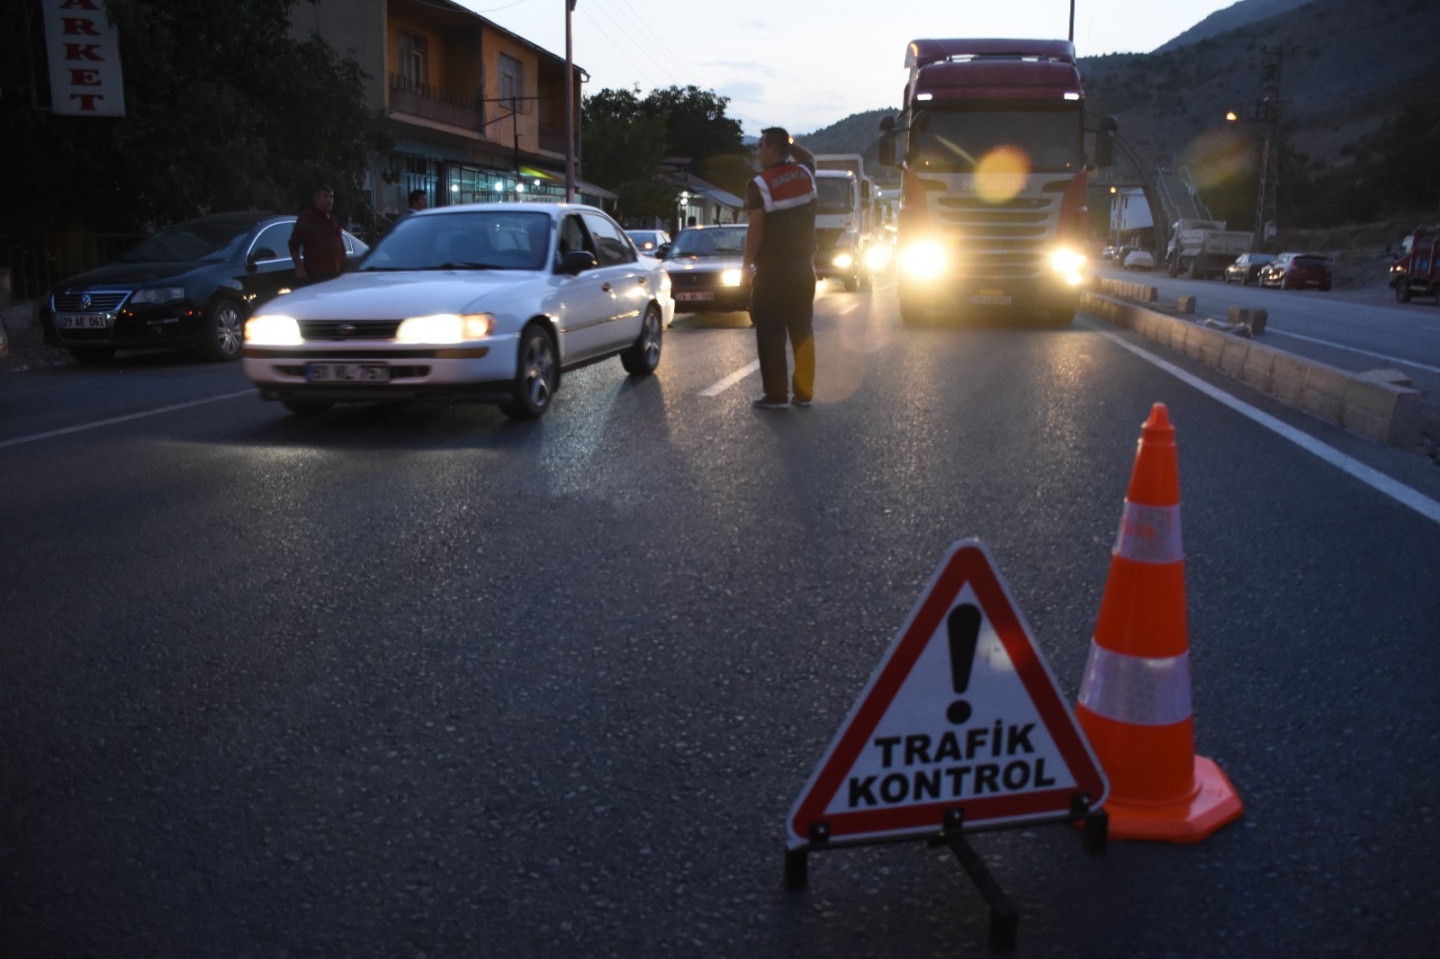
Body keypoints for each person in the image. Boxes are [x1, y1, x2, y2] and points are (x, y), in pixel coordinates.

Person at [741, 127, 817, 410]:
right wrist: (790, 145)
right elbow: (809, 157)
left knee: (771, 331)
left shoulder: (759, 184)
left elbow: (756, 228)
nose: (758, 151)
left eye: (761, 146)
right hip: (804, 268)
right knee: (802, 329)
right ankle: (804, 392)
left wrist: (746, 266)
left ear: (772, 149)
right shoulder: (806, 173)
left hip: (773, 272)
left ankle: (776, 395)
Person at [288, 185, 345, 284]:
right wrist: (299, 268)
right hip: (316, 276)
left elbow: (340, 244)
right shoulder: (307, 218)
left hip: (335, 275)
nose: (329, 200)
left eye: (331, 197)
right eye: (325, 196)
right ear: (316, 198)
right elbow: (294, 245)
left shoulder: (333, 219)